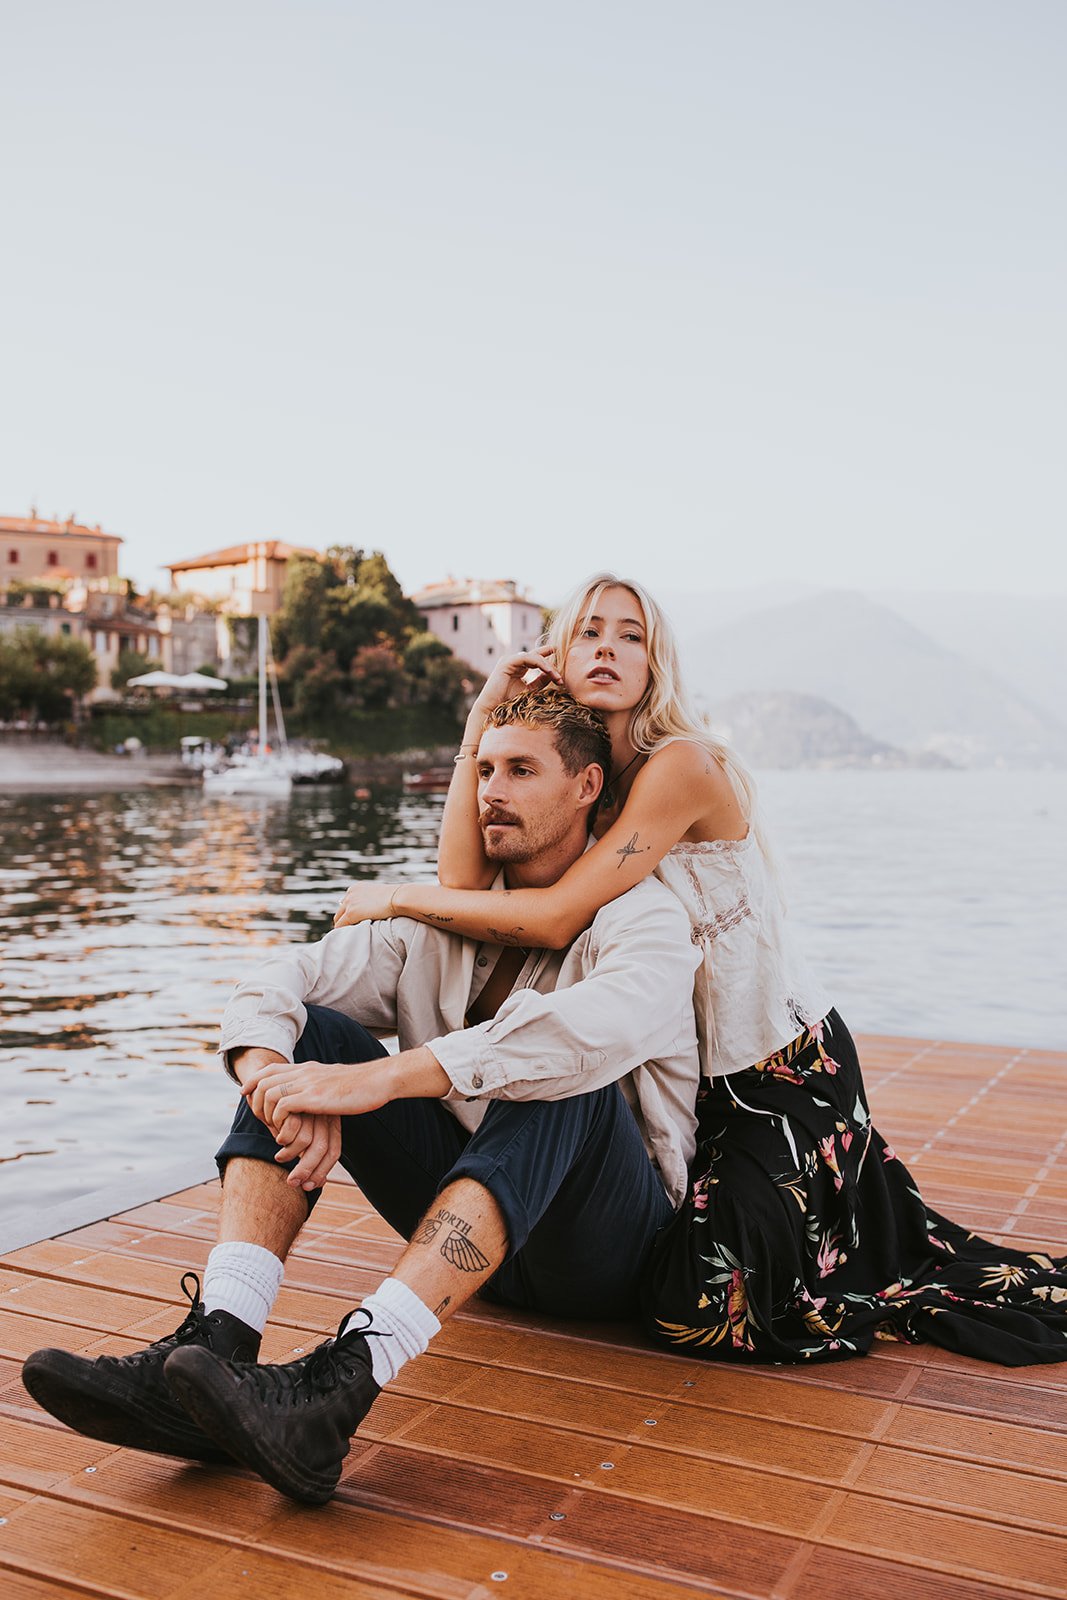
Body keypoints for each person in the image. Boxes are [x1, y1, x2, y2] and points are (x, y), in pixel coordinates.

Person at [333, 572, 1067, 1366]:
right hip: (688, 1089)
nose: (607, 647)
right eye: (587, 631)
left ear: (656, 663)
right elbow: (468, 887)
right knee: (662, 1268)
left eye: (630, 634)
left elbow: (546, 915)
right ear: (555, 653)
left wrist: (392, 897)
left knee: (702, 1306)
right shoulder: (584, 783)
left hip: (778, 1076)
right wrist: (480, 723)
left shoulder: (682, 766)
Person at [23, 686, 703, 1504]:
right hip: (480, 1245)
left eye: (521, 770)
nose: (491, 790)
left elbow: (587, 1031)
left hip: (601, 1254)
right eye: (484, 768)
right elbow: (286, 974)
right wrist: (269, 1078)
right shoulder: (446, 920)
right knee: (306, 1031)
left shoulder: (646, 919)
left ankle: (343, 1384)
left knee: (558, 1071)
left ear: (587, 787)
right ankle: (217, 1340)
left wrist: (380, 1077)